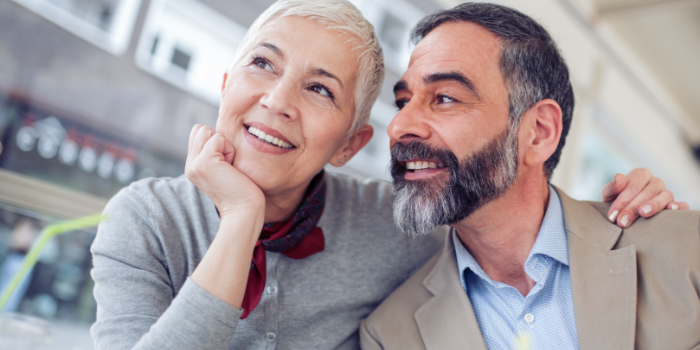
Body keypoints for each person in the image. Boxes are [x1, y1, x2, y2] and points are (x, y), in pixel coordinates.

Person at [90, 1, 683, 349]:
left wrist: (628, 209)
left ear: (351, 144)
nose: (275, 100)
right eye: (261, 64)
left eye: (320, 88)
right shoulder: (144, 220)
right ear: (226, 85)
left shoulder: (399, 226)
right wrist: (240, 220)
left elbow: (503, 208)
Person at [360, 3, 700, 350]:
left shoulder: (688, 249)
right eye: (403, 101)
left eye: (445, 98)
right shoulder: (389, 336)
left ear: (538, 132)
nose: (398, 126)